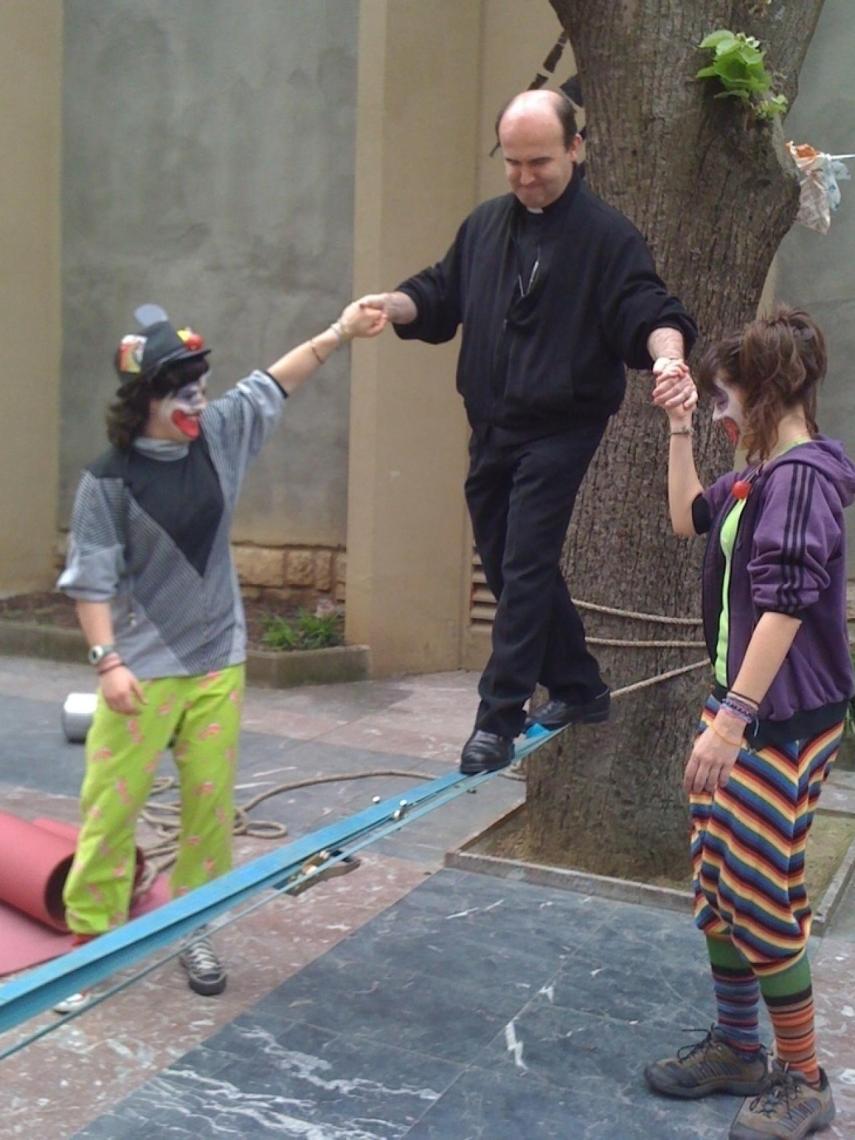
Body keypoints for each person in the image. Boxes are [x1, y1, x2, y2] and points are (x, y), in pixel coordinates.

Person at [357, 88, 697, 775]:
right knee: (508, 563)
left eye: (537, 161)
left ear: (575, 148)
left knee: (525, 561)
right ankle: (578, 686)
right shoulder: (486, 225)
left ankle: (498, 717)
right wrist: (392, 305)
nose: (522, 177)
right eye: (510, 163)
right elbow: (438, 292)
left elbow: (648, 307)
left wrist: (668, 356)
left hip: (562, 425)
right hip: (491, 423)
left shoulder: (607, 237)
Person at [57, 298, 385, 996]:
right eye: (181, 393)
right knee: (110, 808)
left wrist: (341, 331)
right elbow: (88, 581)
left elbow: (274, 380)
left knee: (209, 811)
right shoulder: (106, 480)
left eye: (200, 389)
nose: (197, 403)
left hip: (217, 664)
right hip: (139, 675)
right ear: (146, 398)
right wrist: (106, 662)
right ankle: (89, 942)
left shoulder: (219, 436)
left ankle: (192, 927)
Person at [646, 307, 854, 1138]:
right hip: (736, 709)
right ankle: (737, 1047)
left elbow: (786, 604)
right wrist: (678, 429)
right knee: (719, 887)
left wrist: (731, 720)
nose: (722, 414)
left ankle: (802, 1078)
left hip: (776, 721)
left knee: (763, 895)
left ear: (766, 396)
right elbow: (682, 520)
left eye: (726, 399)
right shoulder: (760, 471)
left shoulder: (802, 479)